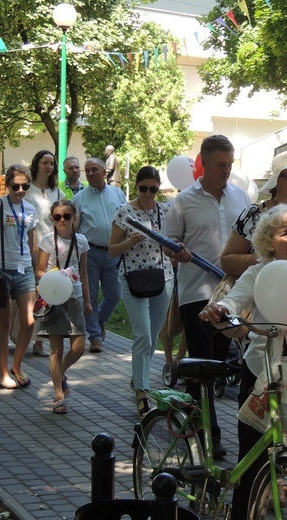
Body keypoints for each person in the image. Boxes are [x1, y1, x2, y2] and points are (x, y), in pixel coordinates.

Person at [200, 204, 287, 517]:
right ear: (269, 240)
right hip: (263, 374)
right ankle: (245, 509)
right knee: (254, 458)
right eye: (286, 232)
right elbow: (234, 300)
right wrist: (221, 309)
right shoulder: (257, 272)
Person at [164, 134, 250, 459]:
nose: (226, 171)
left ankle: (190, 413)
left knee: (219, 370)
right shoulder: (184, 200)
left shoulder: (240, 197)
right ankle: (208, 440)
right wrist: (178, 251)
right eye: (220, 165)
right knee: (205, 365)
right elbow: (168, 241)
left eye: (229, 165)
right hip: (197, 294)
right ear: (204, 162)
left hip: (233, 296)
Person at [108, 166, 175, 418]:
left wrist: (174, 248)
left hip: (163, 277)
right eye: (143, 188)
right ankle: (143, 391)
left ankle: (138, 378)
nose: (148, 193)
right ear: (136, 186)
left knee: (153, 335)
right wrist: (128, 242)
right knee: (142, 335)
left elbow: (170, 248)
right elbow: (112, 250)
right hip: (133, 278)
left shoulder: (165, 211)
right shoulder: (124, 211)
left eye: (153, 189)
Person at [0, 164, 39, 390]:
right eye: (15, 186)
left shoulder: (30, 209)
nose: (20, 190)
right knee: (3, 324)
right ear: (7, 185)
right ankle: (3, 373)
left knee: (29, 321)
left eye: (25, 186)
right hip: (1, 271)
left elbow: (32, 244)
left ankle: (17, 366)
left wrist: (37, 270)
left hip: (24, 271)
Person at [220, 149, 287, 276]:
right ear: (276, 181)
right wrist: (270, 257)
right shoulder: (254, 214)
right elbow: (227, 261)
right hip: (265, 292)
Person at [36, 200, 91, 414]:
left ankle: (60, 373)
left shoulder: (82, 241)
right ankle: (58, 394)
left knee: (78, 348)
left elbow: (84, 272)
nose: (62, 220)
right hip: (54, 298)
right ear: (52, 219)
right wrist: (55, 275)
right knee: (56, 349)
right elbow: (39, 271)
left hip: (75, 297)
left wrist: (87, 300)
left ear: (74, 217)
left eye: (66, 216)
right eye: (57, 217)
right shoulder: (48, 241)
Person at [72, 157, 127, 353]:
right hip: (90, 252)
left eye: (95, 170)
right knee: (91, 295)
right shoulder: (79, 198)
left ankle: (99, 320)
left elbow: (126, 219)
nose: (91, 173)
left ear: (104, 172)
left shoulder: (118, 193)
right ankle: (95, 336)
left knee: (114, 295)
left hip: (114, 252)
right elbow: (74, 227)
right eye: (88, 170)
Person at [22, 149, 65, 357]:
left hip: (51, 250)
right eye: (44, 162)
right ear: (36, 164)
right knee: (30, 295)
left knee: (46, 295)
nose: (48, 166)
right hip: (28, 247)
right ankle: (23, 335)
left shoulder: (57, 193)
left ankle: (40, 341)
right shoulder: (26, 190)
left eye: (51, 163)